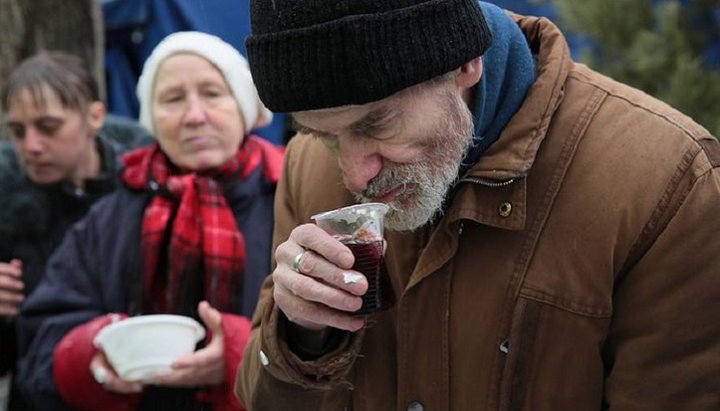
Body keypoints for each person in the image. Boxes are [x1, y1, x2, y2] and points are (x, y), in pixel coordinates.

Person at [235, 1, 720, 410]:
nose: (354, 175)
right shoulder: (305, 167)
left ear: (466, 62)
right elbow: (263, 398)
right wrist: (300, 335)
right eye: (323, 134)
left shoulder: (664, 182)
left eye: (375, 125)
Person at [15, 31, 284, 411]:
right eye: (173, 99)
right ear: (151, 119)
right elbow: (40, 342)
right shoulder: (111, 215)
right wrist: (92, 355)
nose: (194, 116)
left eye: (212, 93)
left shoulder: (292, 197)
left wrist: (243, 353)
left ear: (244, 106)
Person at [0, 51, 151, 411]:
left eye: (48, 128)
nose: (31, 146)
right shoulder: (5, 197)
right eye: (18, 132)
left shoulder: (147, 186)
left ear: (94, 117)